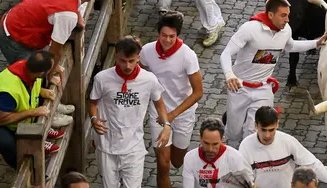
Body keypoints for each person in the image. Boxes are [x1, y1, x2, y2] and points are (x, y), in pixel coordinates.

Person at [220, 0, 327, 145]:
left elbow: (290, 46)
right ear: (271, 15)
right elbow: (226, 53)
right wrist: (229, 75)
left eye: (288, 15)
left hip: (263, 89)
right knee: (233, 133)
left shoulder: (286, 31)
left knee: (252, 132)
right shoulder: (250, 29)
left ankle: (248, 162)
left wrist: (316, 43)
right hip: (239, 88)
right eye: (283, 15)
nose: (287, 20)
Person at [89, 36, 172, 188]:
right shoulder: (102, 78)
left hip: (134, 148)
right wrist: (94, 118)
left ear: (138, 59)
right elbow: (93, 102)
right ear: (116, 57)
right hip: (106, 147)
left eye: (131, 61)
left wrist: (166, 125)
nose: (127, 66)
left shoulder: (149, 79)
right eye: (122, 60)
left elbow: (159, 103)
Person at [140, 12, 204, 188]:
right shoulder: (146, 51)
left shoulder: (188, 56)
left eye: (172, 36)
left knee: (177, 161)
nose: (167, 40)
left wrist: (173, 114)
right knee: (163, 164)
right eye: (164, 35)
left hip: (183, 113)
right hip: (158, 113)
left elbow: (198, 92)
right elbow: (141, 74)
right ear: (158, 33)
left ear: (177, 35)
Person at [0, 0, 104, 71]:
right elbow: (55, 51)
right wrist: (50, 75)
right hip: (13, 36)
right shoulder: (67, 15)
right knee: (31, 72)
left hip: (14, 22)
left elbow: (73, 5)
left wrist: (79, 18)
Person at [0, 51, 62, 168]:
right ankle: (27, 170)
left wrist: (42, 91)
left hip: (11, 116)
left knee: (34, 119)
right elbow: (0, 119)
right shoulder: (8, 91)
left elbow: (29, 86)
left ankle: (38, 137)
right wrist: (33, 112)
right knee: (8, 144)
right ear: (41, 73)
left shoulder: (28, 68)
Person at [239, 106, 327, 187]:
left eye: (271, 130)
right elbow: (245, 178)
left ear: (277, 124)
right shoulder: (245, 147)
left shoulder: (288, 141)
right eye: (263, 130)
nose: (267, 135)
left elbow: (312, 164)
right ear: (256, 126)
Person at [182, 117, 254, 188]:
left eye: (215, 144)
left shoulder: (235, 158)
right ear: (200, 138)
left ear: (222, 139)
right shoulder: (190, 158)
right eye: (206, 143)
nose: (210, 149)